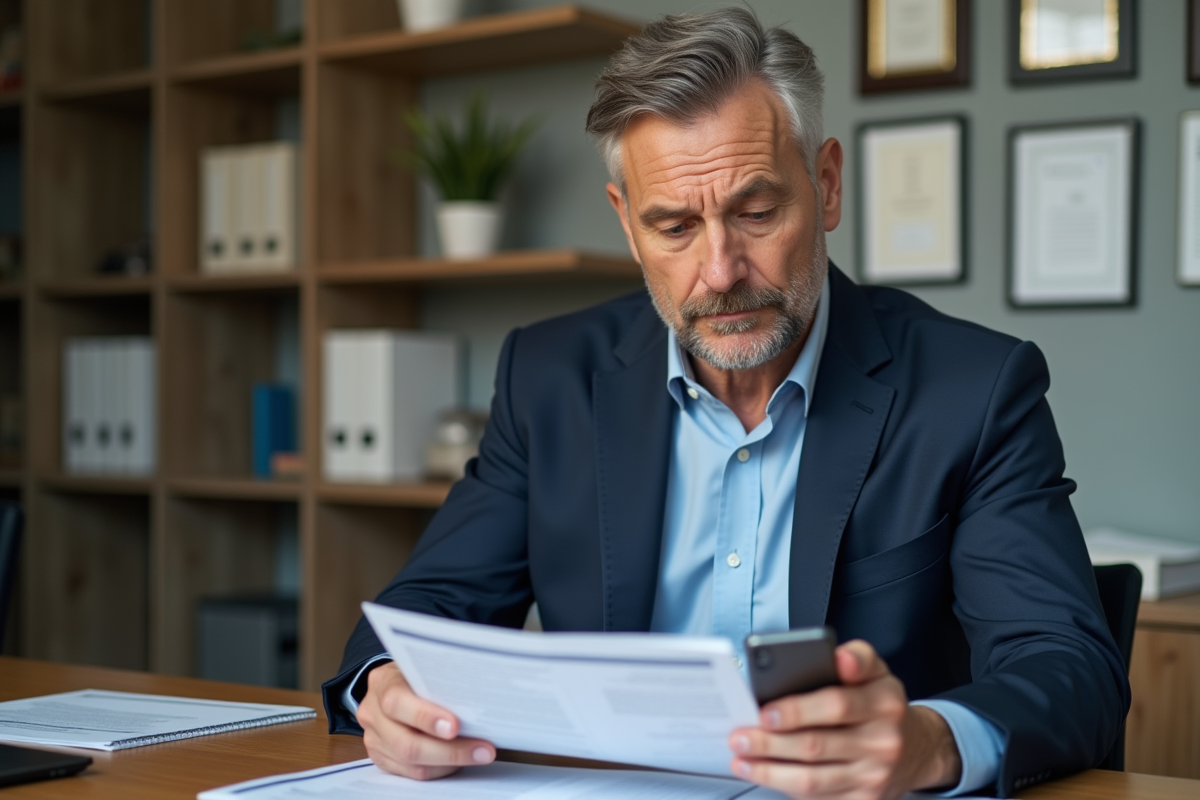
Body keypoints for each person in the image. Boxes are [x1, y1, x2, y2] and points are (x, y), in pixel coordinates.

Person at [322, 8, 1128, 798]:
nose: (720, 270)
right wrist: (386, 689)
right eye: (673, 226)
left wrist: (928, 742)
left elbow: (1068, 667)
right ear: (627, 227)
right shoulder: (549, 376)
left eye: (756, 212)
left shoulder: (974, 389)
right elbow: (422, 609)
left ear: (828, 185)